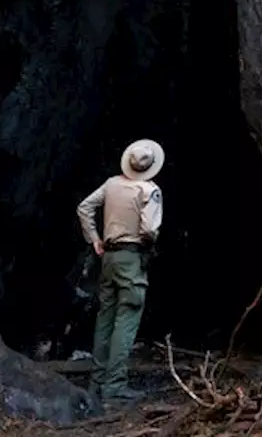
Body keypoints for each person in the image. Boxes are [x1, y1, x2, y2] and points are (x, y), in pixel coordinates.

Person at [76, 138, 164, 405]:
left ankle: (97, 381)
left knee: (106, 317)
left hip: (109, 258)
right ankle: (115, 385)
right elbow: (149, 229)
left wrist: (94, 238)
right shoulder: (149, 191)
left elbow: (85, 207)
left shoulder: (112, 184)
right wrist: (147, 244)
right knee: (127, 318)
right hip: (131, 256)